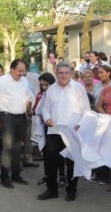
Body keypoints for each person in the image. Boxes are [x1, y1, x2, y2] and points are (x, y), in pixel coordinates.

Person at [39, 62, 91, 201]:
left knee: (72, 162)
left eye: (66, 72)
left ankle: (71, 190)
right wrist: (47, 118)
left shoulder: (78, 89)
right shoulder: (51, 89)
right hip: (54, 130)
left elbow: (86, 111)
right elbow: (45, 108)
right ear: (56, 74)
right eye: (60, 73)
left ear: (71, 73)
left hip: (72, 131)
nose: (63, 75)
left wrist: (78, 126)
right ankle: (52, 190)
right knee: (50, 161)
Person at [0, 59, 33, 188]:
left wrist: (28, 109)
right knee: (7, 147)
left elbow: (28, 97)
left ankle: (16, 175)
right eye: (19, 71)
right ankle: (4, 177)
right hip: (6, 116)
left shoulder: (24, 81)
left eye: (23, 71)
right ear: (12, 69)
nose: (21, 73)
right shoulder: (1, 81)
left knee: (18, 147)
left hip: (21, 117)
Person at [34, 73, 62, 187]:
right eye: (42, 85)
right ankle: (47, 175)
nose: (45, 87)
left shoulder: (58, 93)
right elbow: (36, 108)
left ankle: (62, 176)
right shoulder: (41, 94)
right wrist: (39, 115)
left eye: (47, 85)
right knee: (47, 153)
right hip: (45, 126)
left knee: (60, 153)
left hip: (57, 126)